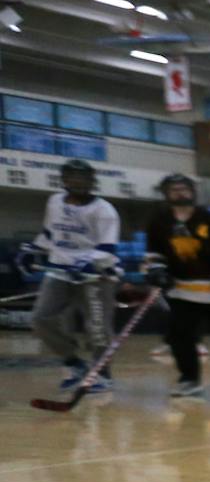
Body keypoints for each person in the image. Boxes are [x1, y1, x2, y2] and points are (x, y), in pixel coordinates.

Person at [143, 173, 210, 400]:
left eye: (184, 188)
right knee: (180, 337)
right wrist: (156, 271)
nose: (180, 193)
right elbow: (153, 255)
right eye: (174, 189)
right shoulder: (159, 223)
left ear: (192, 192)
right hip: (183, 290)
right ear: (166, 194)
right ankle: (189, 380)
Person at [29, 159, 122, 395]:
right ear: (64, 180)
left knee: (98, 327)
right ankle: (74, 362)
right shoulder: (54, 201)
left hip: (96, 276)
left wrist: (87, 263)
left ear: (92, 182)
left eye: (83, 178)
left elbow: (108, 249)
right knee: (41, 318)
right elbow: (50, 233)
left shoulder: (104, 211)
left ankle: (103, 373)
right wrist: (32, 250)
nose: (78, 182)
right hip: (60, 270)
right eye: (72, 178)